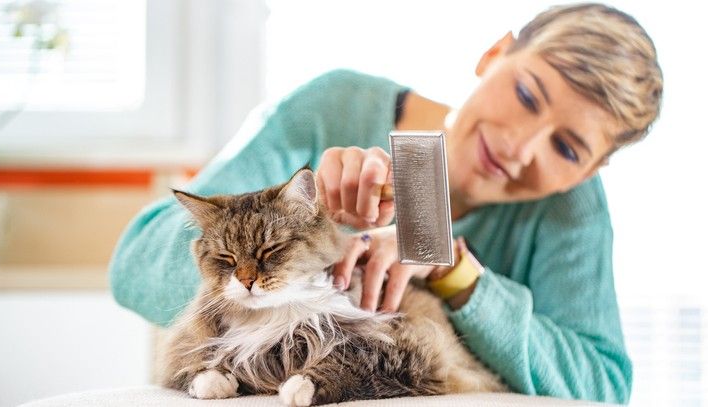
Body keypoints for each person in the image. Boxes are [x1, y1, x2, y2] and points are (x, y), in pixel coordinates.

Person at [109, 3, 662, 404]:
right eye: (525, 94)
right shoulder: (332, 107)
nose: (520, 146)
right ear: (494, 54)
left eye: (567, 148)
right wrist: (309, 232)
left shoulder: (572, 206)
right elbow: (134, 265)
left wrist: (454, 268)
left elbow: (603, 387)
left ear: (592, 169)